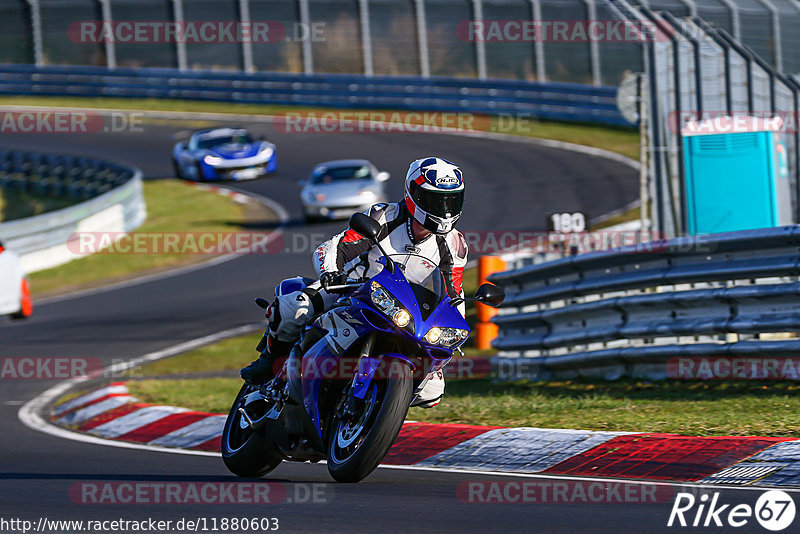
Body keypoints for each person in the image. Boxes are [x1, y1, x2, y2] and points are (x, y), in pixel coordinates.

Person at [241, 156, 468, 408]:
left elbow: (453, 294)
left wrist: (452, 332)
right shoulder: (383, 216)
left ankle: (377, 406)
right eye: (435, 200)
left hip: (407, 312)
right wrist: (330, 272)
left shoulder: (454, 245)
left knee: (432, 391)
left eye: (451, 201)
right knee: (295, 307)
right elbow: (336, 246)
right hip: (354, 289)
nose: (443, 209)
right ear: (412, 192)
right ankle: (270, 361)